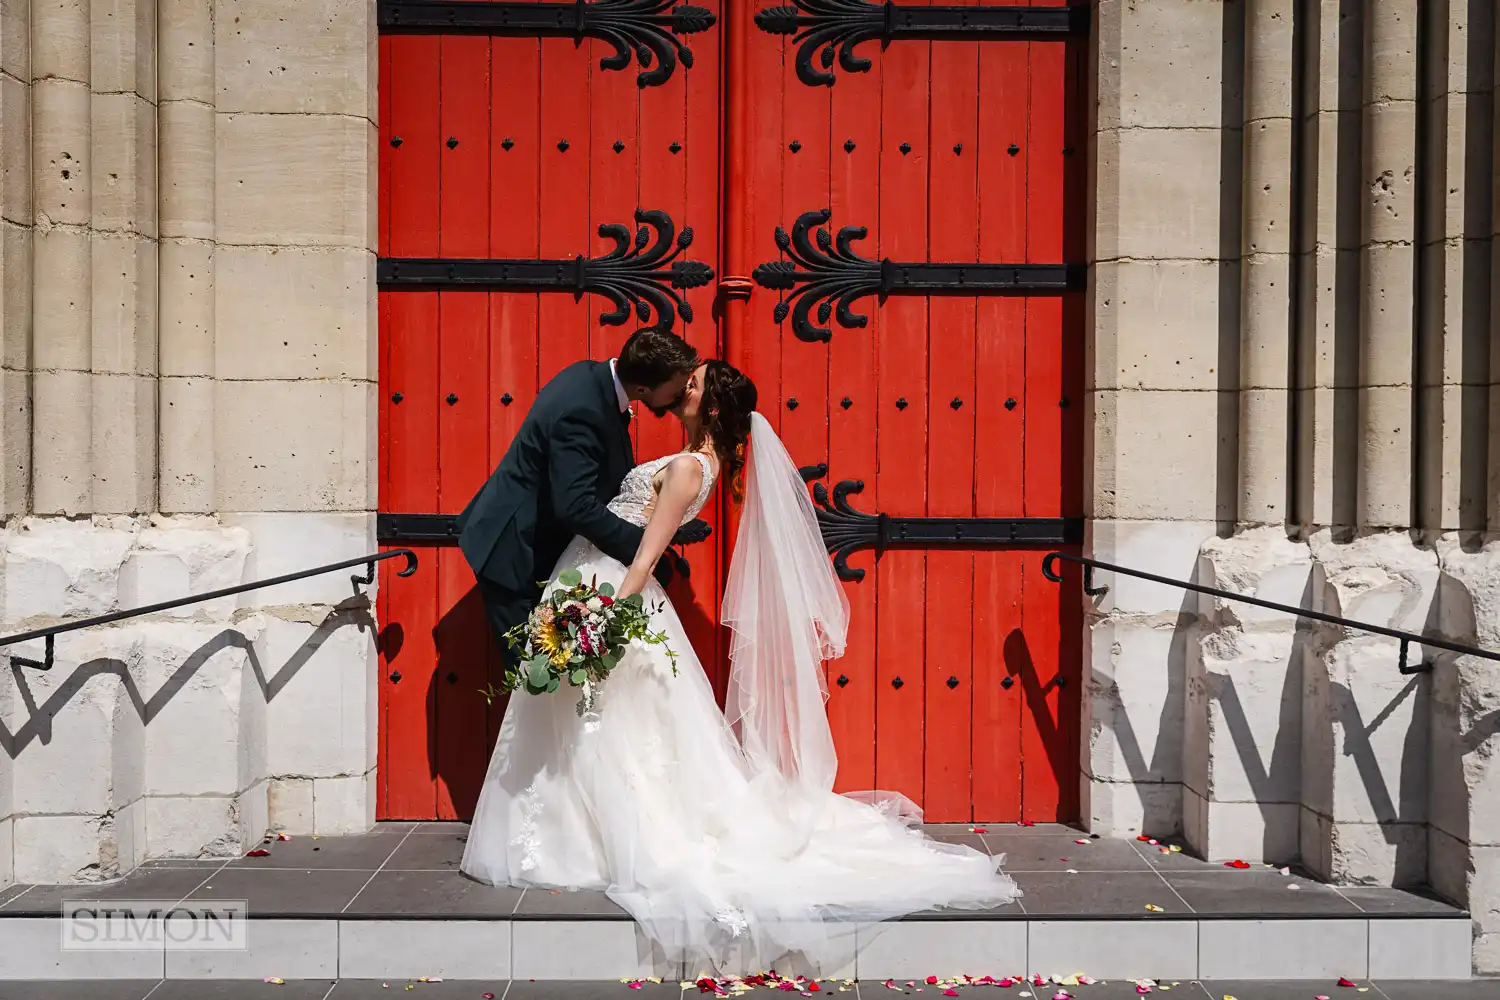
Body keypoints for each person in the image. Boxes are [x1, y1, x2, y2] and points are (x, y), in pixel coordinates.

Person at [461, 359, 1021, 976]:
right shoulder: (698, 463)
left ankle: (591, 841)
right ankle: (576, 836)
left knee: (609, 727)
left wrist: (605, 616)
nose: (684, 386)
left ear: (714, 408)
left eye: (695, 383)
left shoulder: (685, 467)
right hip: (594, 579)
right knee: (596, 724)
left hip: (614, 589)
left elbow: (646, 554)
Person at [454, 328, 710, 666]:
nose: (680, 395)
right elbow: (575, 505)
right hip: (515, 558)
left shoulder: (595, 379)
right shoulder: (584, 408)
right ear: (644, 389)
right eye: (676, 389)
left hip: (535, 547)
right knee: (536, 683)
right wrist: (646, 549)